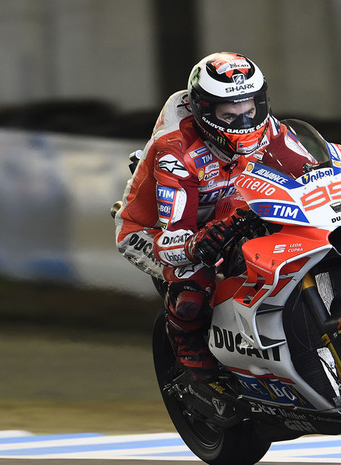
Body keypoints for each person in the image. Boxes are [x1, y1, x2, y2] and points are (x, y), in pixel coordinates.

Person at [114, 52, 313, 382]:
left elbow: (310, 172)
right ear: (203, 110)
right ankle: (185, 337)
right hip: (153, 231)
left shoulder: (270, 129)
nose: (245, 121)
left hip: (229, 212)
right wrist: (196, 245)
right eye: (230, 115)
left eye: (250, 109)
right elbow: (171, 239)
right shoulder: (175, 150)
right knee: (192, 276)